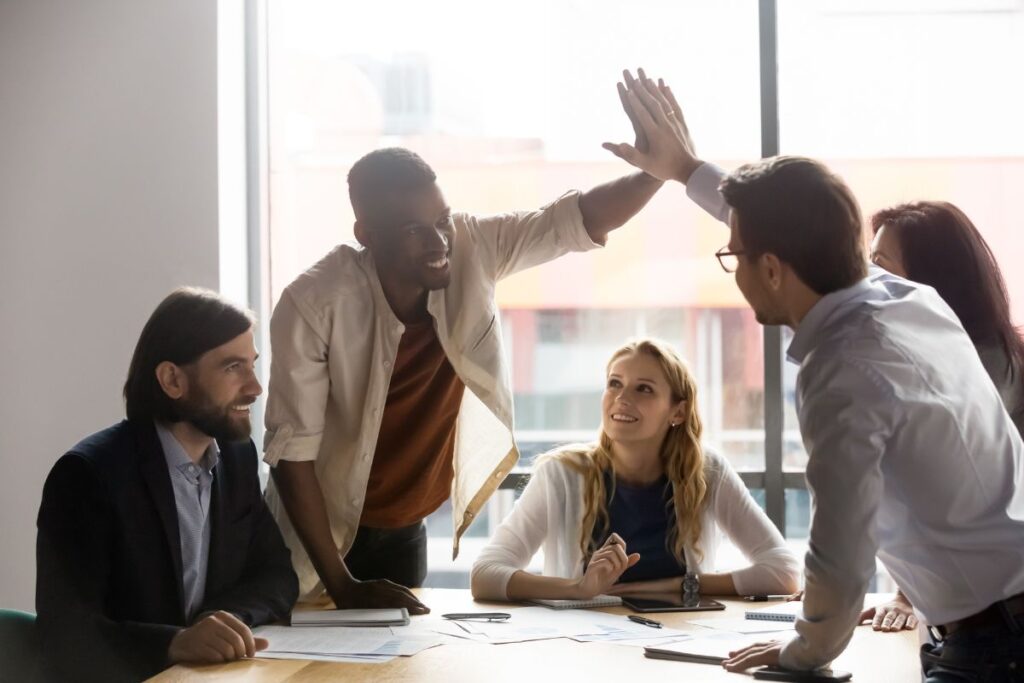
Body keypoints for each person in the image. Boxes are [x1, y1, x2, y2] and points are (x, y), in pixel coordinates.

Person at [603, 69, 1024, 679]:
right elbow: (794, 225)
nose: (735, 269)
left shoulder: (844, 370)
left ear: (772, 269)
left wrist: (802, 653)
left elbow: (841, 551)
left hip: (996, 644)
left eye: (733, 256)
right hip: (997, 620)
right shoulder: (904, 299)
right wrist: (687, 168)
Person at [263, 146, 667, 613]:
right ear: (367, 235)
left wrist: (657, 171)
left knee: (394, 668)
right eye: (414, 230)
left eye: (442, 220)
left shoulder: (473, 246)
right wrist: (343, 584)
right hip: (320, 534)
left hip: (405, 527)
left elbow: (574, 222)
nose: (438, 243)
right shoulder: (312, 303)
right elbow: (293, 458)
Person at [36, 288, 299, 682]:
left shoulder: (238, 456)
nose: (254, 387)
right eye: (232, 368)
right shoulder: (87, 477)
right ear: (172, 379)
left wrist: (220, 621)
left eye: (252, 365)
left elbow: (276, 574)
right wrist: (175, 642)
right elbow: (66, 631)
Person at [470, 338, 800, 602]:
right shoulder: (561, 474)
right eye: (614, 383)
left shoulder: (706, 471)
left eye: (643, 388)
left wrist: (677, 586)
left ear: (678, 411)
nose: (621, 399)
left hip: (678, 643)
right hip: (580, 651)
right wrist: (578, 590)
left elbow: (784, 571)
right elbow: (485, 574)